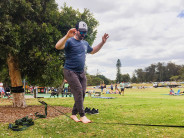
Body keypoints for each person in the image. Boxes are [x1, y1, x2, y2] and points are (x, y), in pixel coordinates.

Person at [55, 21, 109, 124]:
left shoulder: (85, 43)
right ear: (76, 31)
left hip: (81, 72)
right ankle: (82, 115)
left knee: (82, 93)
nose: (84, 35)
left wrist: (102, 42)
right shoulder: (69, 41)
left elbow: (93, 51)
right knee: (79, 91)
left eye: (85, 33)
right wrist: (67, 35)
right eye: (82, 32)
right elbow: (58, 46)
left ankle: (73, 114)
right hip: (70, 71)